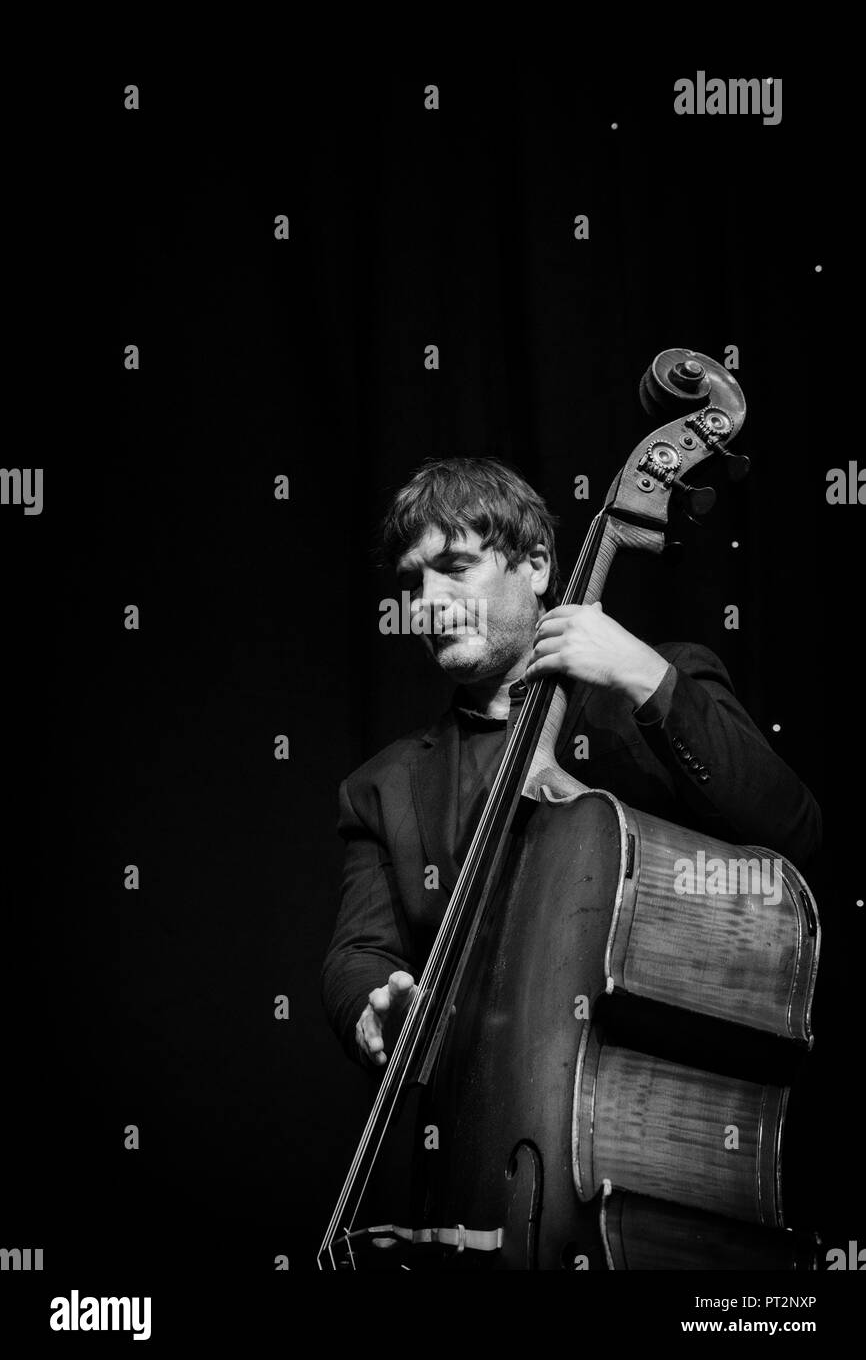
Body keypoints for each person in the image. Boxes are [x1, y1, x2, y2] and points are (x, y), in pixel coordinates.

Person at [321, 456, 821, 1068]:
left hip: (651, 1088)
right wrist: (372, 1010)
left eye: (455, 568)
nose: (427, 603)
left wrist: (643, 674)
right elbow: (360, 952)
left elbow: (791, 829)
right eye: (414, 582)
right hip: (481, 1114)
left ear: (534, 567)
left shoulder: (661, 680)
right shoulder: (382, 784)